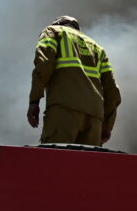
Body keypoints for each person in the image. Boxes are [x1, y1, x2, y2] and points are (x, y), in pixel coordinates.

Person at [27, 15, 122, 146]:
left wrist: (34, 100)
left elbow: (44, 65)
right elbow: (112, 91)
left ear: (58, 23)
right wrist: (107, 125)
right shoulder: (98, 48)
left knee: (55, 161)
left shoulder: (53, 31)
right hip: (94, 118)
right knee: (85, 165)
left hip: (64, 108)